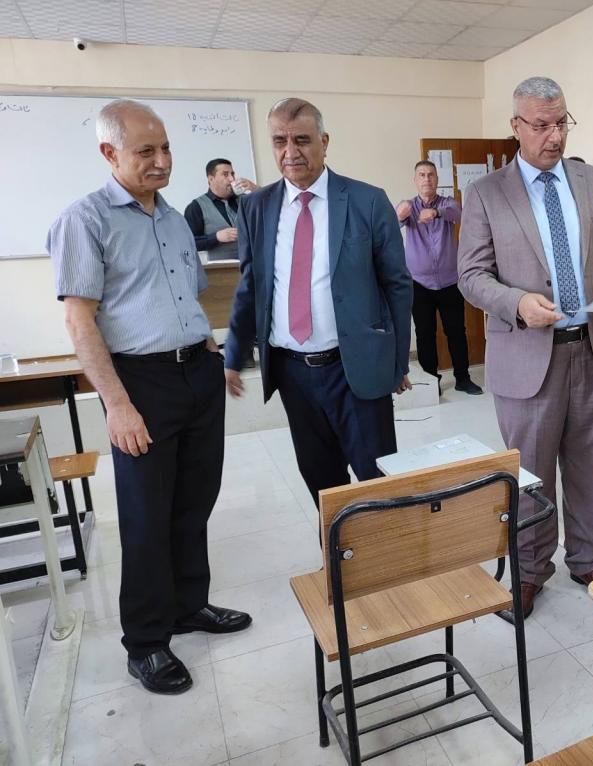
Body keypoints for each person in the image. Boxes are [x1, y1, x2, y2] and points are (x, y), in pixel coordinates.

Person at [47, 99, 251, 696]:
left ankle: (189, 605)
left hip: (196, 374)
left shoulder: (172, 218)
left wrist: (210, 353)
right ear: (109, 153)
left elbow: (188, 295)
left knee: (194, 502)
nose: (161, 161)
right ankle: (146, 642)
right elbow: (80, 322)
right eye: (145, 151)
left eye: (165, 149)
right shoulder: (85, 220)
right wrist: (117, 405)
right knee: (146, 517)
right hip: (140, 384)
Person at [458, 77, 593, 619]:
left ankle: (587, 559)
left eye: (561, 123)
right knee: (530, 473)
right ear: (515, 127)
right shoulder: (487, 193)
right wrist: (516, 302)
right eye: (541, 125)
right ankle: (531, 571)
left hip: (590, 348)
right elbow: (471, 276)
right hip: (526, 353)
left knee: (588, 467)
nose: (554, 136)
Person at [224, 98, 412, 506]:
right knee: (322, 482)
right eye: (279, 141)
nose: (290, 152)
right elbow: (251, 286)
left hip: (355, 368)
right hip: (293, 374)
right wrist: (234, 353)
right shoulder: (256, 207)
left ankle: (383, 546)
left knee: (378, 482)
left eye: (302, 140)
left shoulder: (367, 201)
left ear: (324, 142)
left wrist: (397, 364)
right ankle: (338, 547)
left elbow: (397, 285)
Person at [396, 160, 482, 395]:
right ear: (415, 180)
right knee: (425, 335)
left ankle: (463, 378)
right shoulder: (408, 207)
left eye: (431, 175)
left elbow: (459, 213)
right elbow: (391, 224)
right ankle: (432, 381)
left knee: (456, 332)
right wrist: (399, 214)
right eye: (422, 175)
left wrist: (435, 212)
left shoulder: (447, 204)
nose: (427, 179)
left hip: (449, 282)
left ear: (437, 179)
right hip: (418, 284)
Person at [183, 158, 257, 261]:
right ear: (211, 179)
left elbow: (270, 213)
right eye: (225, 174)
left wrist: (256, 189)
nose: (232, 179)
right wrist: (216, 237)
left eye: (232, 174)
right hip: (220, 270)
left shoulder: (245, 200)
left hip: (252, 265)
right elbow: (188, 244)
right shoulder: (195, 207)